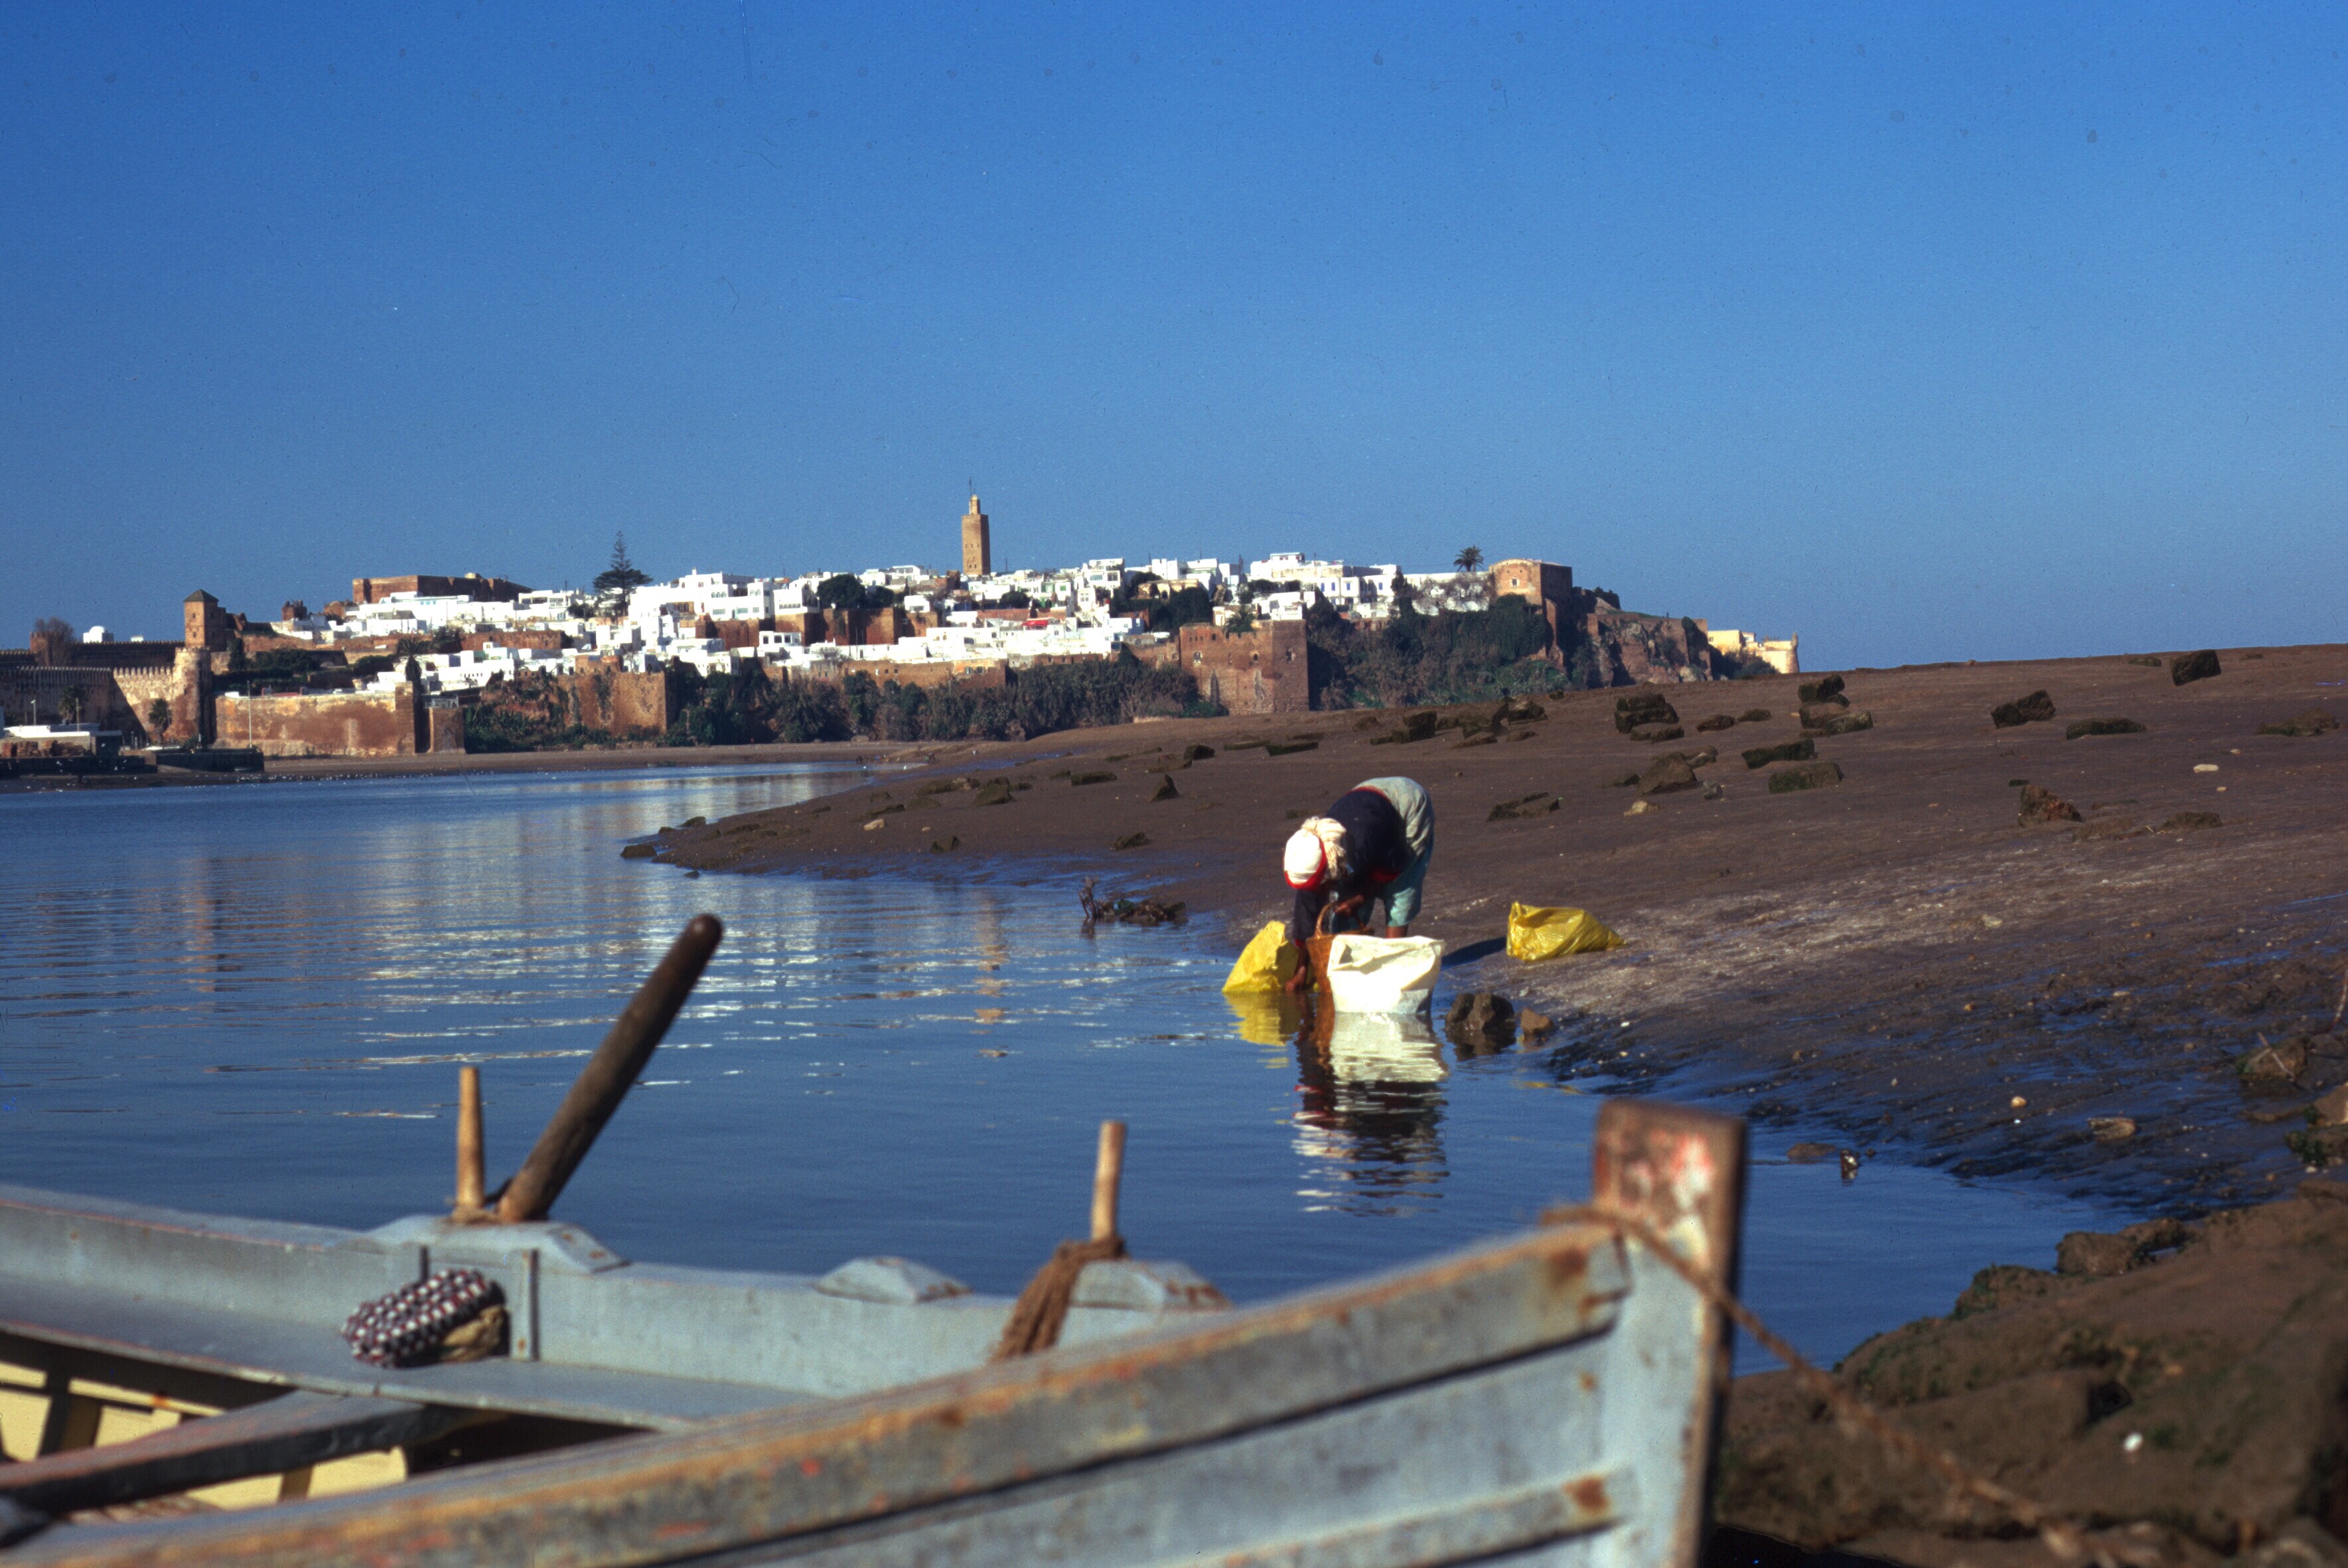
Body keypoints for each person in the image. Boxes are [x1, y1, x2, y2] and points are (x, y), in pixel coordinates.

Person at [1282, 776, 1435, 994]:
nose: (1319, 892)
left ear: (1329, 867)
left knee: (1399, 891)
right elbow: (1307, 920)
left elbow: (1396, 862)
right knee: (1345, 911)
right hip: (1365, 806)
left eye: (1321, 886)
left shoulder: (1362, 841)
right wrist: (1300, 973)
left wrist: (1360, 898)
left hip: (1406, 805)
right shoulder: (1311, 861)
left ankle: (1391, 970)